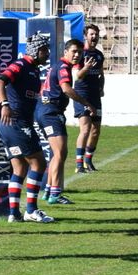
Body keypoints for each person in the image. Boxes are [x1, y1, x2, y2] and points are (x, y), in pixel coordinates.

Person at [0, 30, 54, 223]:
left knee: (19, 169)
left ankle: (14, 213)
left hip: (13, 125)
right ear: (35, 50)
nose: (47, 54)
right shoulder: (20, 65)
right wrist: (4, 104)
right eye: (44, 50)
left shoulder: (34, 69)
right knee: (39, 163)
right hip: (16, 124)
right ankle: (32, 210)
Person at [37, 38, 89, 204]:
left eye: (80, 52)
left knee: (57, 154)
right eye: (74, 51)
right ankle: (55, 194)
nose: (77, 55)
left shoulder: (59, 66)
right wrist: (86, 103)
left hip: (47, 111)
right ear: (65, 52)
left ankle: (49, 191)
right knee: (60, 154)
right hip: (51, 112)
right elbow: (66, 89)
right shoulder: (63, 67)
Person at [73, 23, 106, 172]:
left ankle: (88, 161)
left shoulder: (99, 55)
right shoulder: (80, 54)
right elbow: (77, 77)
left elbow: (101, 74)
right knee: (85, 129)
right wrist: (85, 68)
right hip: (82, 95)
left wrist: (101, 88)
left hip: (95, 96)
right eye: (92, 34)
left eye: (96, 34)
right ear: (85, 36)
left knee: (95, 130)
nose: (95, 37)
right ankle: (79, 164)